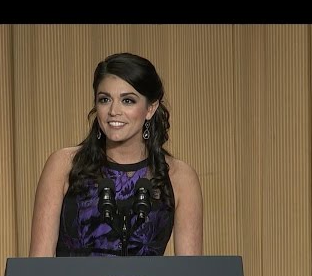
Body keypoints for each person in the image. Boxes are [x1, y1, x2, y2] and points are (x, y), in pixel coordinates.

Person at [29, 52, 203, 257]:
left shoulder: (179, 177)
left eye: (128, 100)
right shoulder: (64, 165)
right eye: (105, 99)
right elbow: (39, 269)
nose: (113, 111)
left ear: (150, 108)